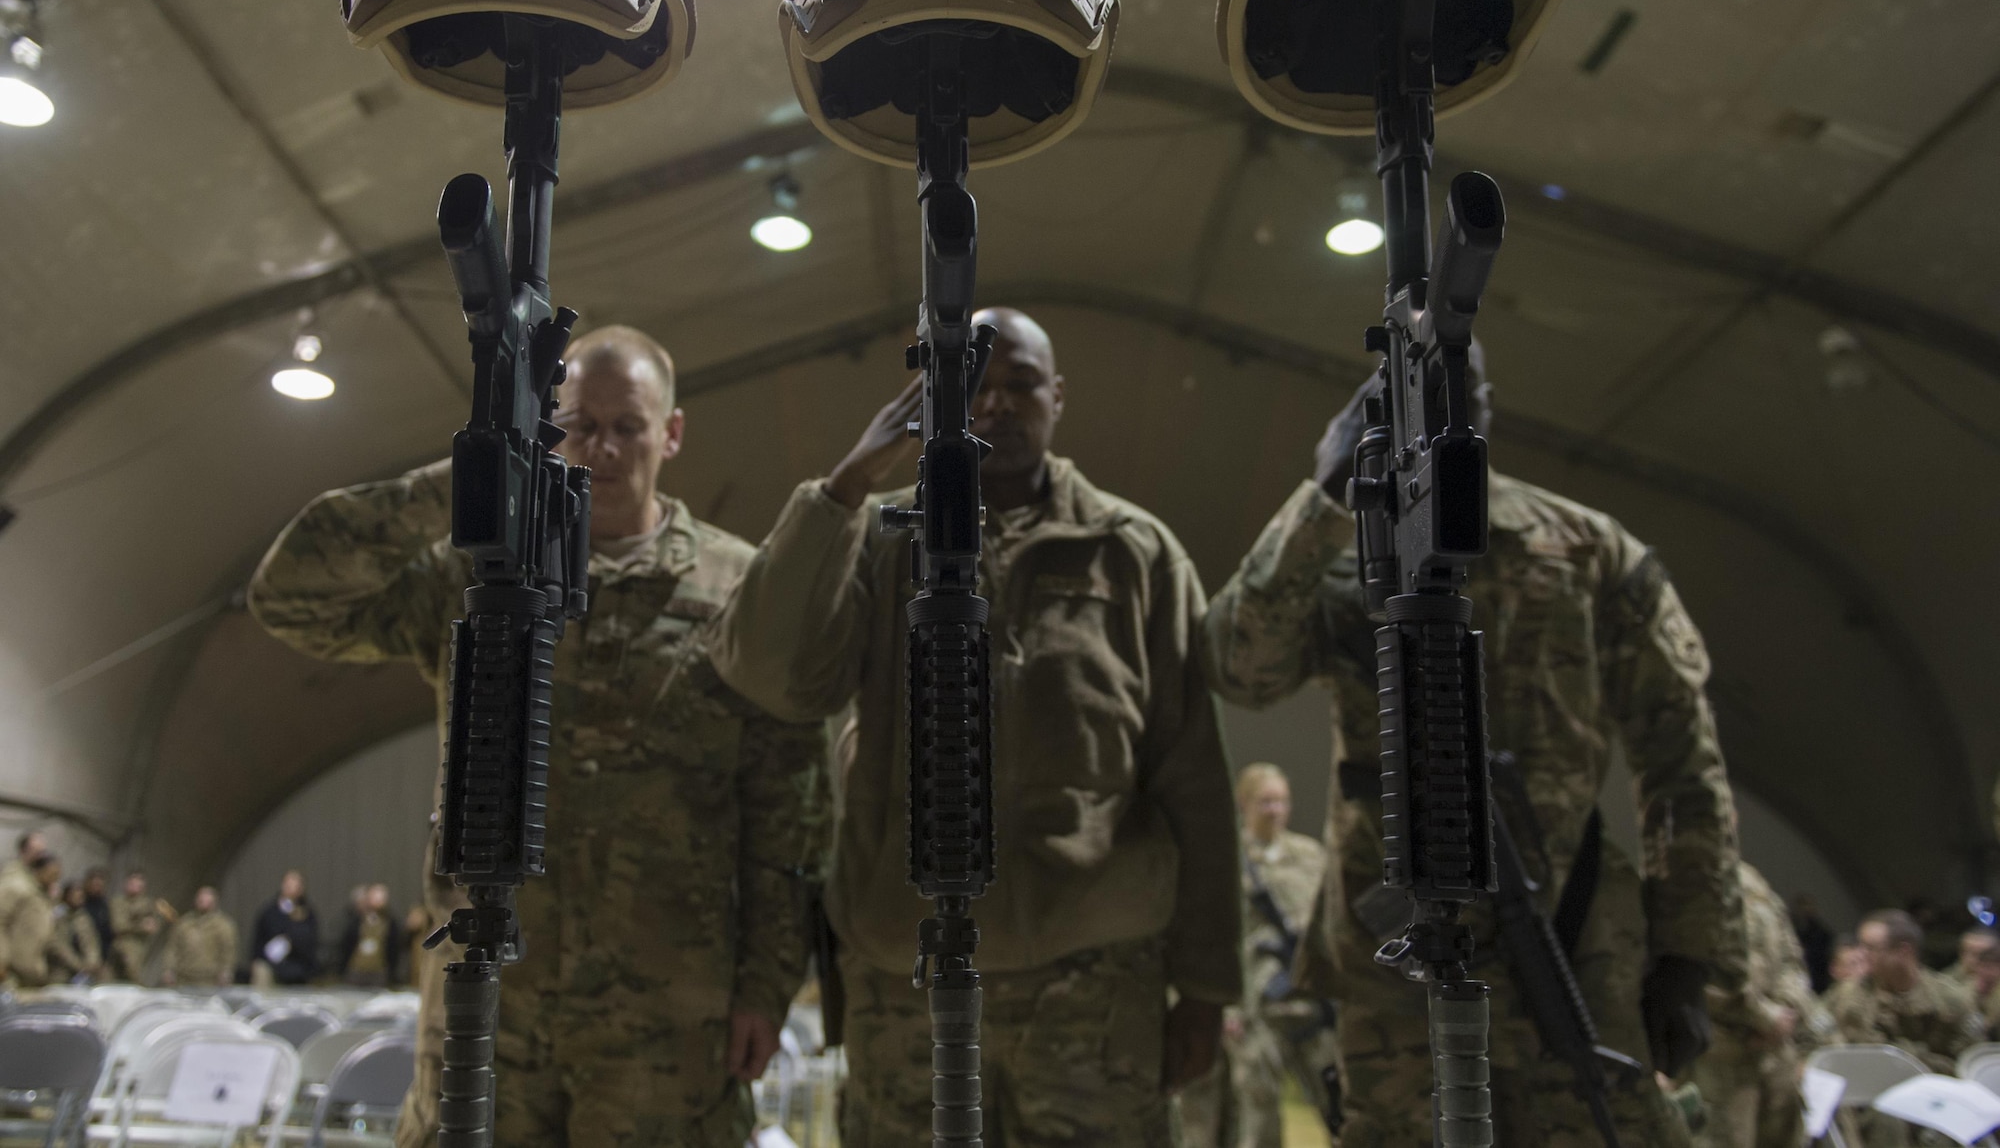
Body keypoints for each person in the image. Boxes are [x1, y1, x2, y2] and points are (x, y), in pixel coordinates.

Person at [249, 323, 828, 1148]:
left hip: (664, 1012)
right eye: (577, 425)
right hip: (488, 1001)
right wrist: (466, 480)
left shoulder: (739, 587)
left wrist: (767, 987)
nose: (602, 448)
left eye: (627, 425)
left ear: (671, 432)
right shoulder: (481, 575)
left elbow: (788, 807)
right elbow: (290, 597)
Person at [713, 307, 1242, 1147]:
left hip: (1092, 986)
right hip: (905, 984)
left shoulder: (1131, 552)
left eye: (1021, 383)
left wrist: (1208, 986)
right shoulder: (882, 540)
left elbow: (1194, 780)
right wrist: (847, 482)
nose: (998, 403)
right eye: (975, 386)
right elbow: (769, 674)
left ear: (1058, 396)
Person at [1204, 346, 1746, 1148]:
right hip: (1395, 962)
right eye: (1417, 393)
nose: (1443, 409)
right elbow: (1237, 667)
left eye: (1457, 386)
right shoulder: (1347, 549)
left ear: (1489, 403)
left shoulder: (1587, 551)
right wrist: (1327, 485)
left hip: (1570, 938)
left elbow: (1683, 765)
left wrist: (1686, 956)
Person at [1179, 763, 1341, 1148]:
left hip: (1311, 1005)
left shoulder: (1309, 855)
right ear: (1245, 803)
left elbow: (1328, 926)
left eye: (1282, 801)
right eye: (1266, 801)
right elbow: (1212, 934)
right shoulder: (1228, 861)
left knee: (1337, 1106)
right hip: (1257, 1010)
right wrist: (1226, 1007)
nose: (1276, 810)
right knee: (1260, 1113)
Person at [1689, 862, 1826, 1148]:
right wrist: (1764, 1017)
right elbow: (1691, 970)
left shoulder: (1754, 883)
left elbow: (1791, 958)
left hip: (1775, 1056)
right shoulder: (1680, 879)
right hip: (1719, 1056)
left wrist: (1788, 1009)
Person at [1825, 910, 1984, 1072]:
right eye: (1861, 946)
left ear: (1903, 951)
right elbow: (1821, 1037)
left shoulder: (1948, 1000)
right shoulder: (1847, 994)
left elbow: (1974, 1062)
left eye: (1870, 948)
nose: (1861, 955)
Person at [0, 852, 61, 987]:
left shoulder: (41, 896)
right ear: (40, 870)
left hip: (29, 970)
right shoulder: (18, 887)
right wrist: (1, 960)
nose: (55, 879)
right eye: (53, 874)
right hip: (9, 972)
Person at [251, 871, 319, 985]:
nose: (292, 890)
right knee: (262, 973)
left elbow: (312, 941)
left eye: (296, 886)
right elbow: (258, 938)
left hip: (297, 965)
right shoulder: (269, 912)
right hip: (270, 962)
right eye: (289, 885)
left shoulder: (308, 914)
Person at [164, 886, 239, 987]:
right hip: (184, 977)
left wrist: (226, 971)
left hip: (210, 979)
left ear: (214, 901)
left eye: (207, 898)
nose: (203, 901)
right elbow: (173, 947)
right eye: (200, 898)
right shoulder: (185, 923)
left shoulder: (223, 925)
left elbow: (228, 950)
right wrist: (169, 969)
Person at [108, 869, 166, 982]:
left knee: (134, 976)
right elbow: (118, 925)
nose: (134, 887)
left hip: (137, 948)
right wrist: (140, 925)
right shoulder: (118, 902)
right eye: (132, 883)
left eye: (138, 885)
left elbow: (152, 926)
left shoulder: (148, 904)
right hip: (117, 945)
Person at [339, 883, 401, 987]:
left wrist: (391, 971)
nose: (378, 901)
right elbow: (346, 943)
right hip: (356, 970)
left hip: (379, 971)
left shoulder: (390, 923)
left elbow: (393, 947)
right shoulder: (355, 920)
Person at [48, 880, 105, 982]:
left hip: (85, 972)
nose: (79, 899)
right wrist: (78, 965)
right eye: (76, 896)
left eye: (81, 896)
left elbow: (91, 942)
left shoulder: (83, 918)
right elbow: (57, 945)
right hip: (60, 969)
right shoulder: (58, 916)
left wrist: (92, 963)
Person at [1791, 895, 1835, 994]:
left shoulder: (1822, 933)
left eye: (1807, 905)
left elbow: (1821, 956)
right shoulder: (1791, 929)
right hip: (1795, 975)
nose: (1805, 910)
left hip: (1816, 977)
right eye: (1802, 906)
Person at [81, 867, 114, 962]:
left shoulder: (104, 907)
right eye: (94, 884)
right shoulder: (79, 902)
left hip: (96, 956)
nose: (97, 888)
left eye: (99, 885)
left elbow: (108, 935)